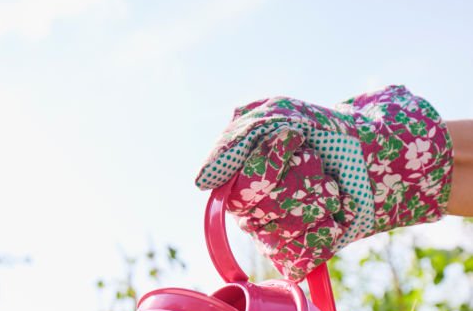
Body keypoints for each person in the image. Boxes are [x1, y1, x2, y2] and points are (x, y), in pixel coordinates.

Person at [194, 84, 473, 282]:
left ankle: (396, 150)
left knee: (419, 155)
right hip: (413, 167)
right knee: (425, 160)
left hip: (404, 158)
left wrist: (378, 146)